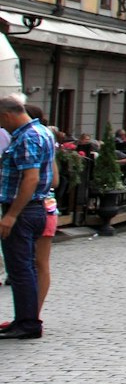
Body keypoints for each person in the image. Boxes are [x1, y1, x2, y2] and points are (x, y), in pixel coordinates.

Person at [1, 93, 54, 340]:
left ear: (8, 115)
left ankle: (28, 322)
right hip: (35, 207)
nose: (2, 126)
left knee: (20, 267)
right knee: (25, 267)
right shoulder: (42, 132)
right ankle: (25, 319)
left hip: (24, 209)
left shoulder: (26, 137)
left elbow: (30, 178)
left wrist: (11, 215)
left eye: (2, 121)